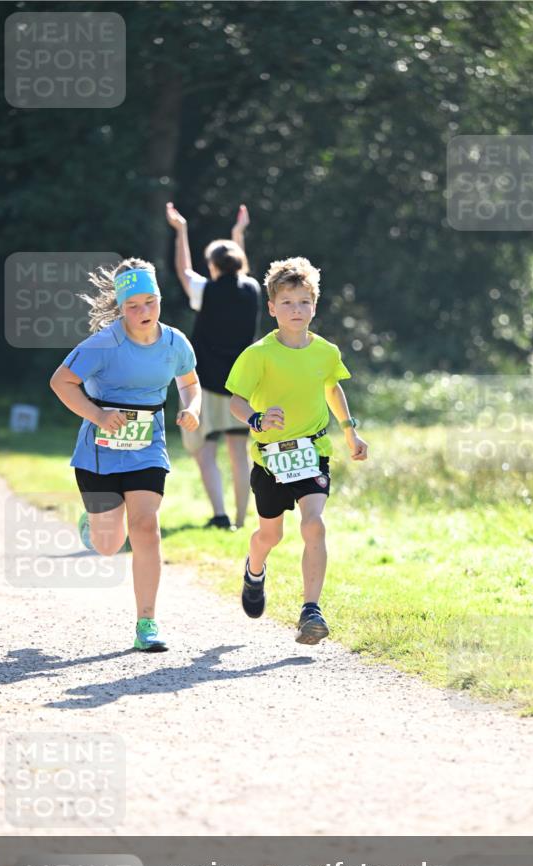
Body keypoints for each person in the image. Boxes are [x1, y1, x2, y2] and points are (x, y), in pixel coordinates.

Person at [49, 258, 201, 653]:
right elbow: (61, 382)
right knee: (107, 545)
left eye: (150, 302)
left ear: (160, 300)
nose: (143, 312)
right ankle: (92, 522)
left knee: (146, 527)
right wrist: (99, 414)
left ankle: (146, 622)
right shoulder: (103, 344)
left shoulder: (175, 343)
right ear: (120, 308)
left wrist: (192, 408)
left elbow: (190, 383)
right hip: (99, 452)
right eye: (133, 305)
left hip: (148, 448)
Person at [225, 256, 368, 645]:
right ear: (271, 308)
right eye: (287, 302)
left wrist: (350, 433)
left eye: (304, 301)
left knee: (314, 523)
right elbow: (234, 400)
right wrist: (256, 419)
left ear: (314, 306)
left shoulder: (326, 352)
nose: (296, 310)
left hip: (313, 451)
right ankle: (255, 571)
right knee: (269, 535)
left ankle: (311, 610)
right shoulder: (258, 354)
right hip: (270, 460)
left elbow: (332, 388)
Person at [166, 201, 261, 529]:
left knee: (203, 449)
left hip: (204, 384)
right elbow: (243, 272)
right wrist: (238, 234)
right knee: (239, 452)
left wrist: (181, 231)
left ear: (213, 265)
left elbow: (183, 272)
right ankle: (239, 519)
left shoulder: (205, 290)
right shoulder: (252, 290)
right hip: (241, 387)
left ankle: (219, 516)